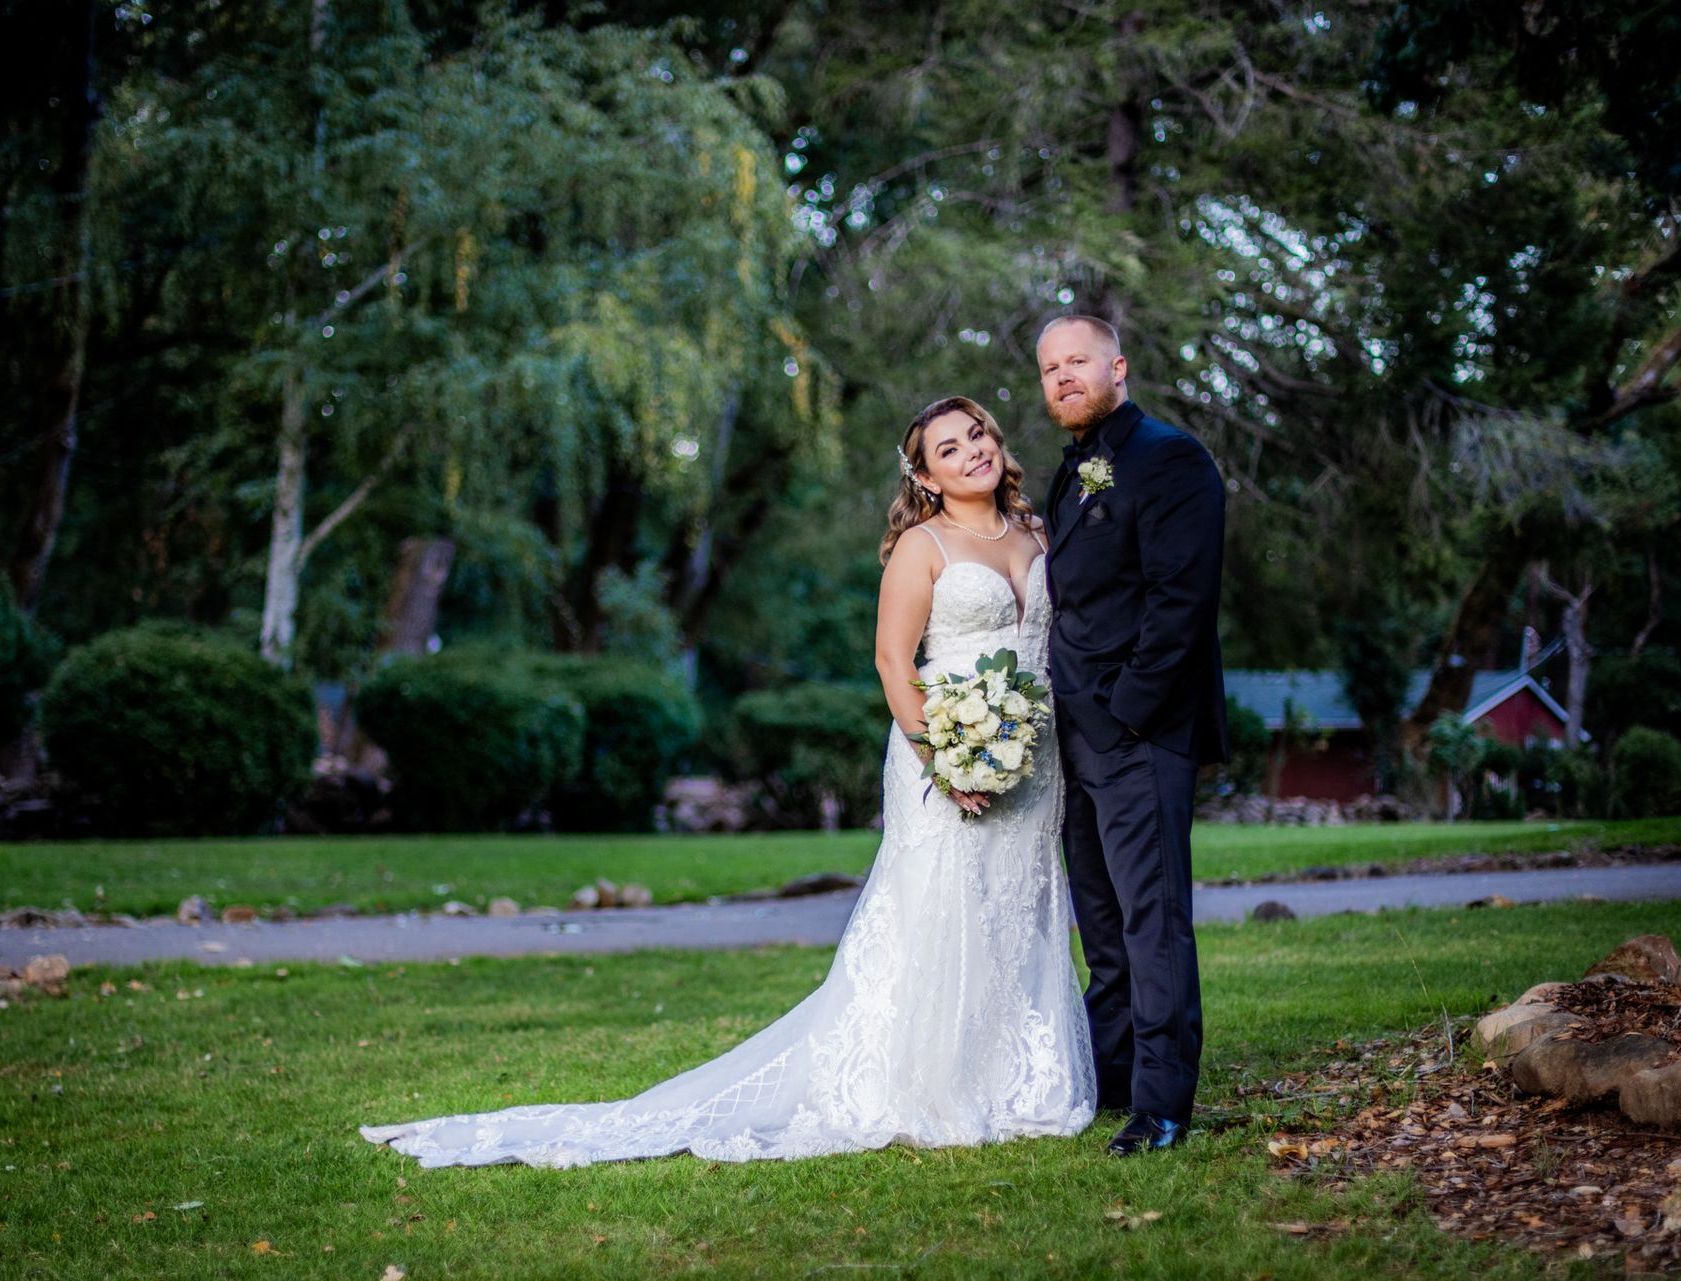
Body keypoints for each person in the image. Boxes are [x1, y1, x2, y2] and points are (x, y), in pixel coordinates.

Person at [359, 395, 1096, 1167]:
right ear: (927, 476)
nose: (972, 450)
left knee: (1019, 904)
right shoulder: (924, 545)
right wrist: (943, 761)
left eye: (976, 433)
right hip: (941, 750)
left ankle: (1019, 1080)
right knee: (945, 908)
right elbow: (891, 660)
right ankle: (933, 1084)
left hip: (1034, 754)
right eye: (948, 448)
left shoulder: (1037, 531)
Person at [1037, 315, 1228, 1156]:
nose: (1063, 376)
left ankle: (1162, 1103)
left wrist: (1126, 712)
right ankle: (1112, 1079)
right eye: (1050, 367)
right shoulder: (1074, 469)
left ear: (1118, 365)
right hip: (1075, 739)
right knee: (1104, 927)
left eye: (1077, 360)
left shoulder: (1169, 457)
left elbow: (1182, 601)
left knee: (1153, 923)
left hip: (1139, 733)